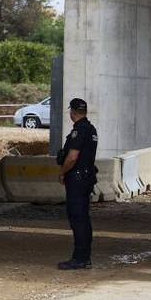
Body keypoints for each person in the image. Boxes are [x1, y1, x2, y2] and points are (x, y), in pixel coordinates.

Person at [57, 98, 98, 270]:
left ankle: (80, 258)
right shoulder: (91, 129)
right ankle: (84, 257)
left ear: (72, 112)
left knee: (78, 219)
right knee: (84, 219)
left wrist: (62, 172)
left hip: (77, 179)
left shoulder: (79, 130)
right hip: (87, 178)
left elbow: (72, 157)